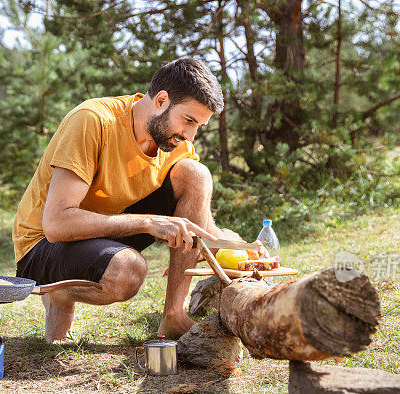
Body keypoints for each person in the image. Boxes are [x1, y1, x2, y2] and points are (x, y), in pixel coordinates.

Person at [12, 58, 239, 343]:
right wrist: (147, 222)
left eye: (199, 126)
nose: (190, 135)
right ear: (161, 100)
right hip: (44, 244)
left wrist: (234, 250)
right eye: (189, 120)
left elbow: (196, 219)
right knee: (128, 271)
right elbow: (56, 223)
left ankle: (174, 315)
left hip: (105, 232)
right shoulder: (93, 120)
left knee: (196, 174)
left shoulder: (173, 141)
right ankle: (59, 290)